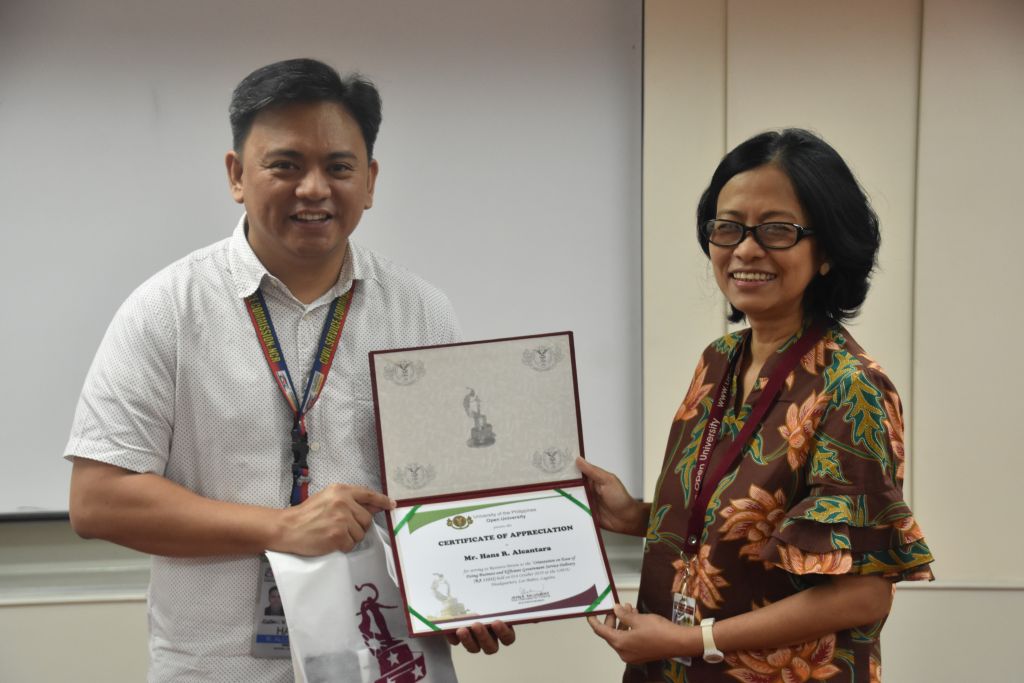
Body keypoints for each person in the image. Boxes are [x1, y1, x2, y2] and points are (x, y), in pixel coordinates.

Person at [65, 58, 513, 682]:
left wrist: (474, 584)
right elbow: (98, 501)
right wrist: (283, 527)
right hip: (221, 666)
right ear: (236, 175)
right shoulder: (165, 310)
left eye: (338, 167)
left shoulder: (421, 313)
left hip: (386, 662)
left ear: (370, 181)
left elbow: (449, 493)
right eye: (285, 164)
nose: (313, 188)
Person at [583, 128, 933, 682]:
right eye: (728, 228)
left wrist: (692, 639)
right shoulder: (718, 361)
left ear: (826, 251)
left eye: (777, 230)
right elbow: (750, 528)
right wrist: (637, 517)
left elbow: (864, 592)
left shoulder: (852, 386)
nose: (745, 249)